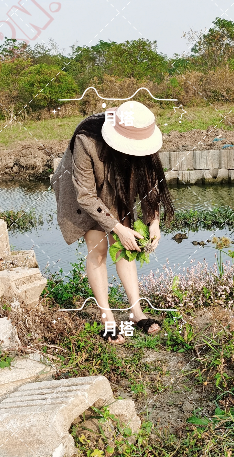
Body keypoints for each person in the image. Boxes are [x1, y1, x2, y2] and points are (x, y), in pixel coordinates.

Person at [51, 100, 174, 344]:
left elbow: (150, 185)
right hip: (84, 190)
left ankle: (136, 312)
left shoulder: (141, 134)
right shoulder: (86, 139)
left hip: (118, 183)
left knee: (124, 247)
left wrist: (154, 222)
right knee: (98, 248)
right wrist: (116, 227)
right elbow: (86, 195)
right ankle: (107, 318)